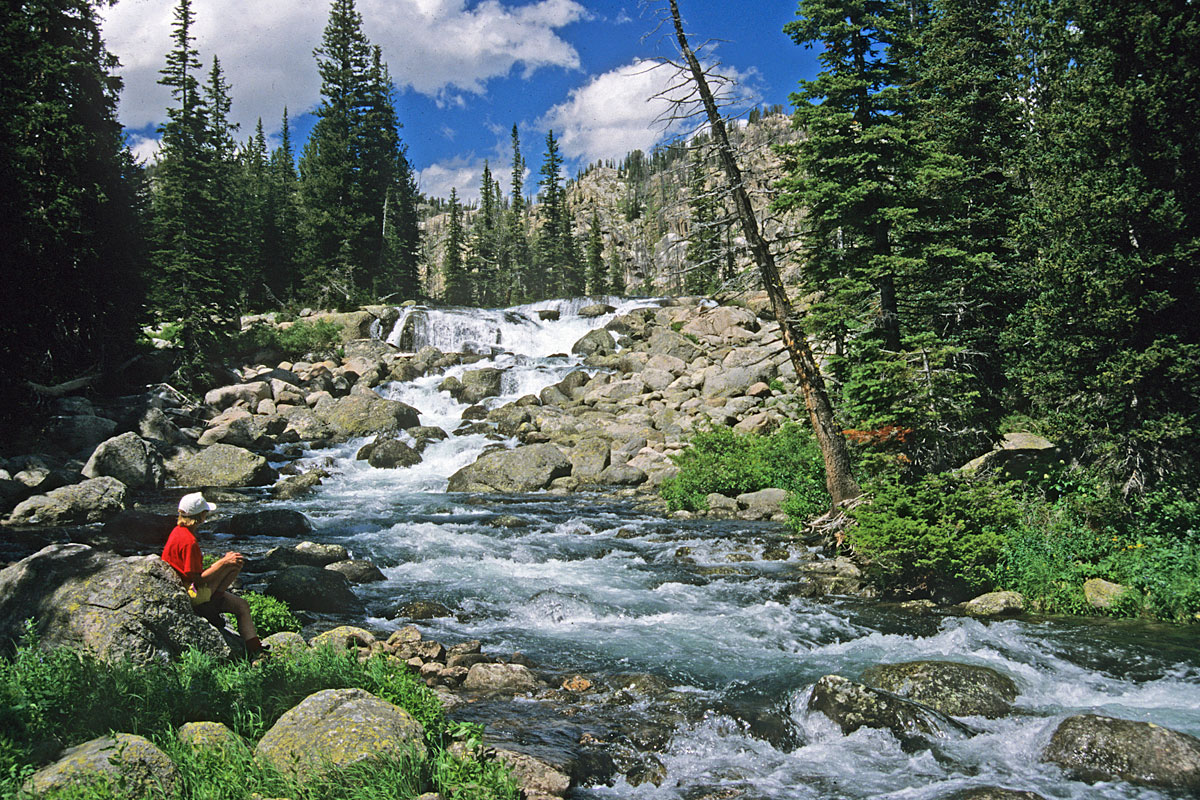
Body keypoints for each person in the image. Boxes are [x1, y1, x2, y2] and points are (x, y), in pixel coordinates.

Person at [161, 492, 266, 659]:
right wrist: (222, 563)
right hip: (192, 593)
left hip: (186, 587)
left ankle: (255, 649)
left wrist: (224, 563)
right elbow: (197, 579)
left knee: (241, 597)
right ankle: (254, 651)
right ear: (201, 516)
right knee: (232, 564)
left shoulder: (177, 531)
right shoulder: (189, 542)